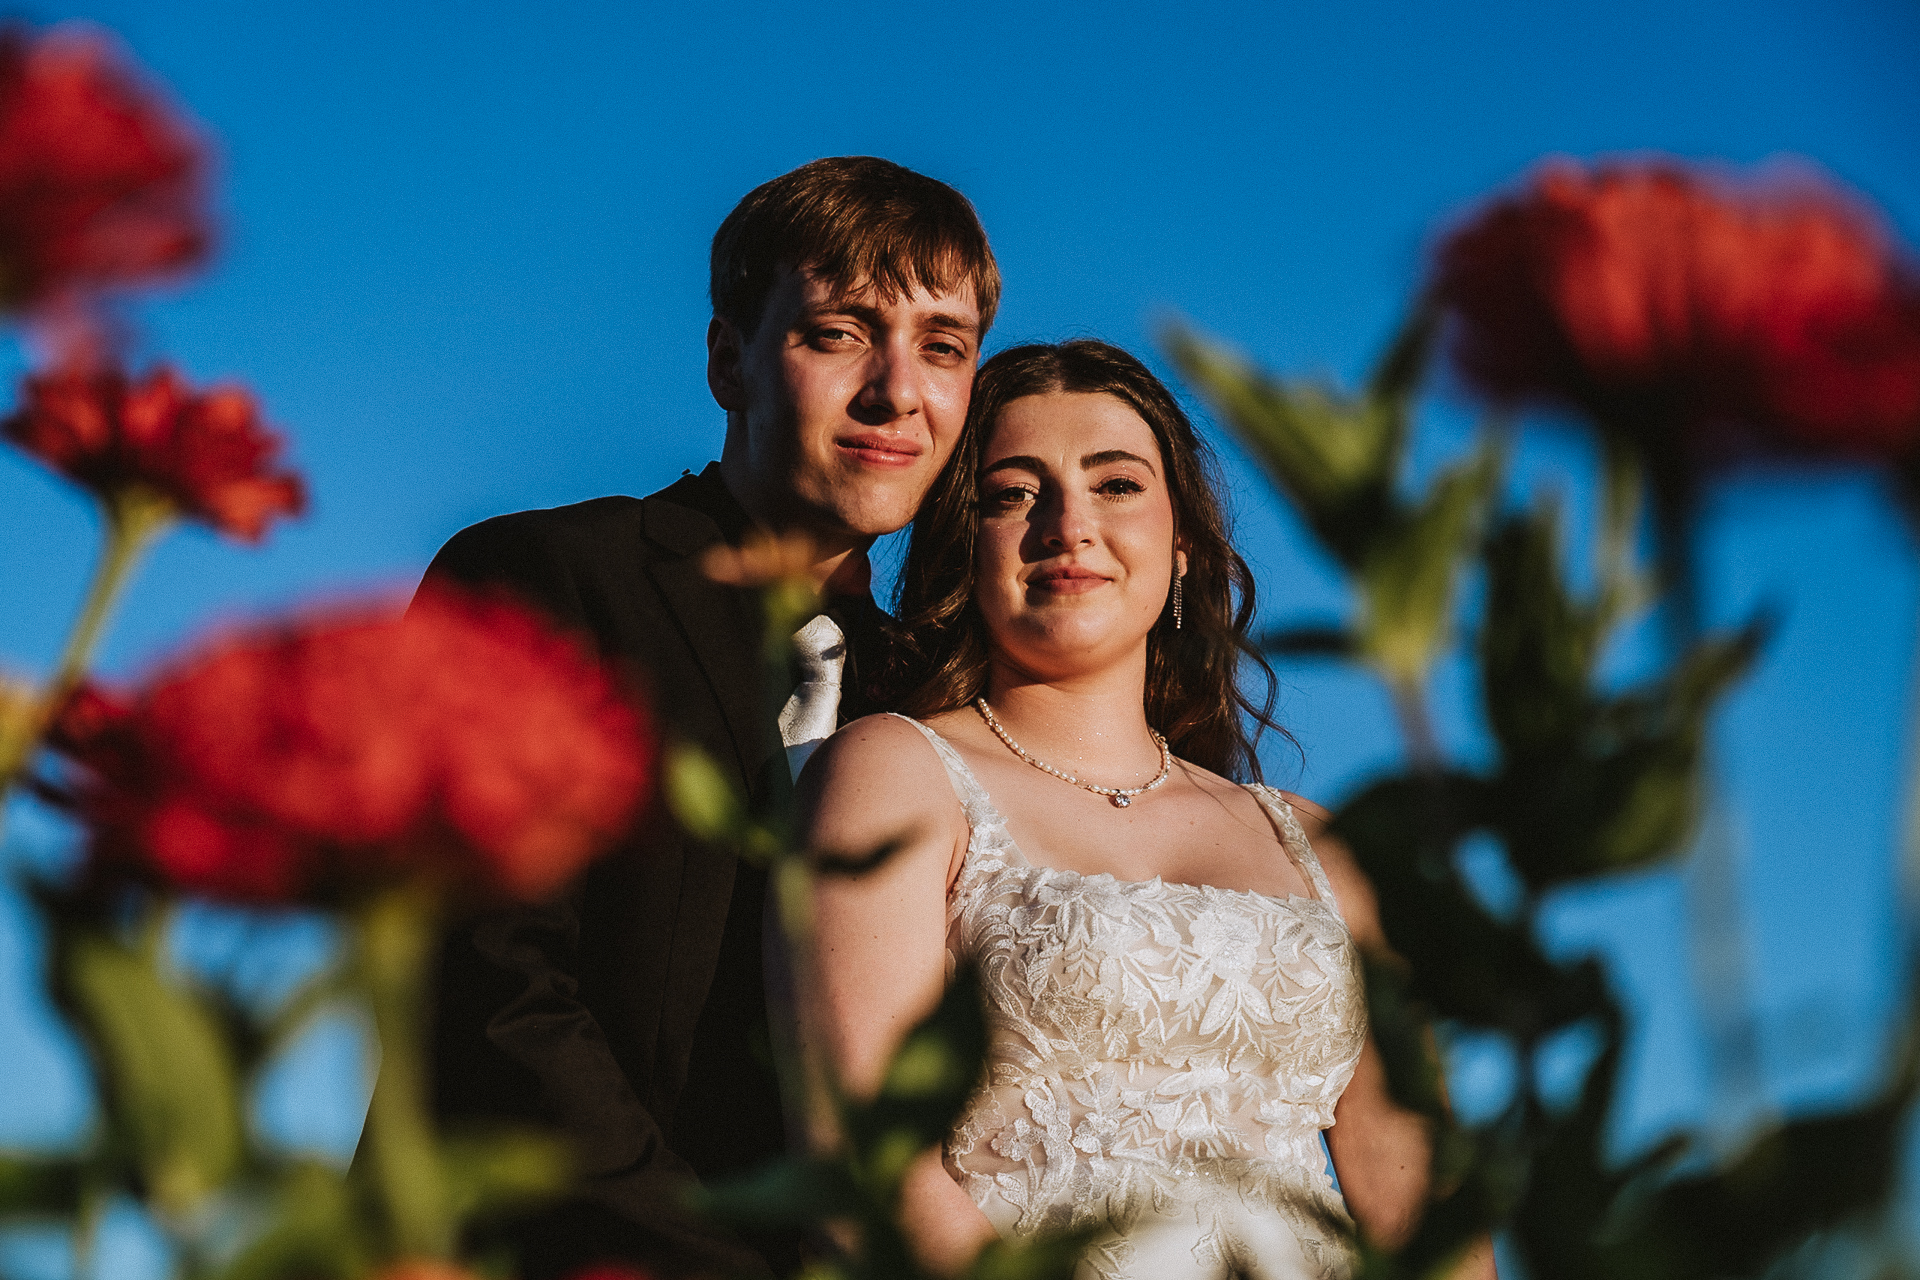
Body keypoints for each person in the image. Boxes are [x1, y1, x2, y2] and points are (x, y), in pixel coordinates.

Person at [795, 341, 1496, 1279]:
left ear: (1182, 548)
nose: (1067, 524)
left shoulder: (1325, 843)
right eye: (1012, 493)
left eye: (1116, 484)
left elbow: (1420, 1202)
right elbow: (865, 1161)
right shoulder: (892, 770)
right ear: (966, 545)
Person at [417, 156, 998, 1280]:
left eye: (942, 345)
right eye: (839, 332)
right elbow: (488, 990)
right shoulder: (543, 577)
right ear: (729, 358)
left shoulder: (940, 706)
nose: (897, 390)